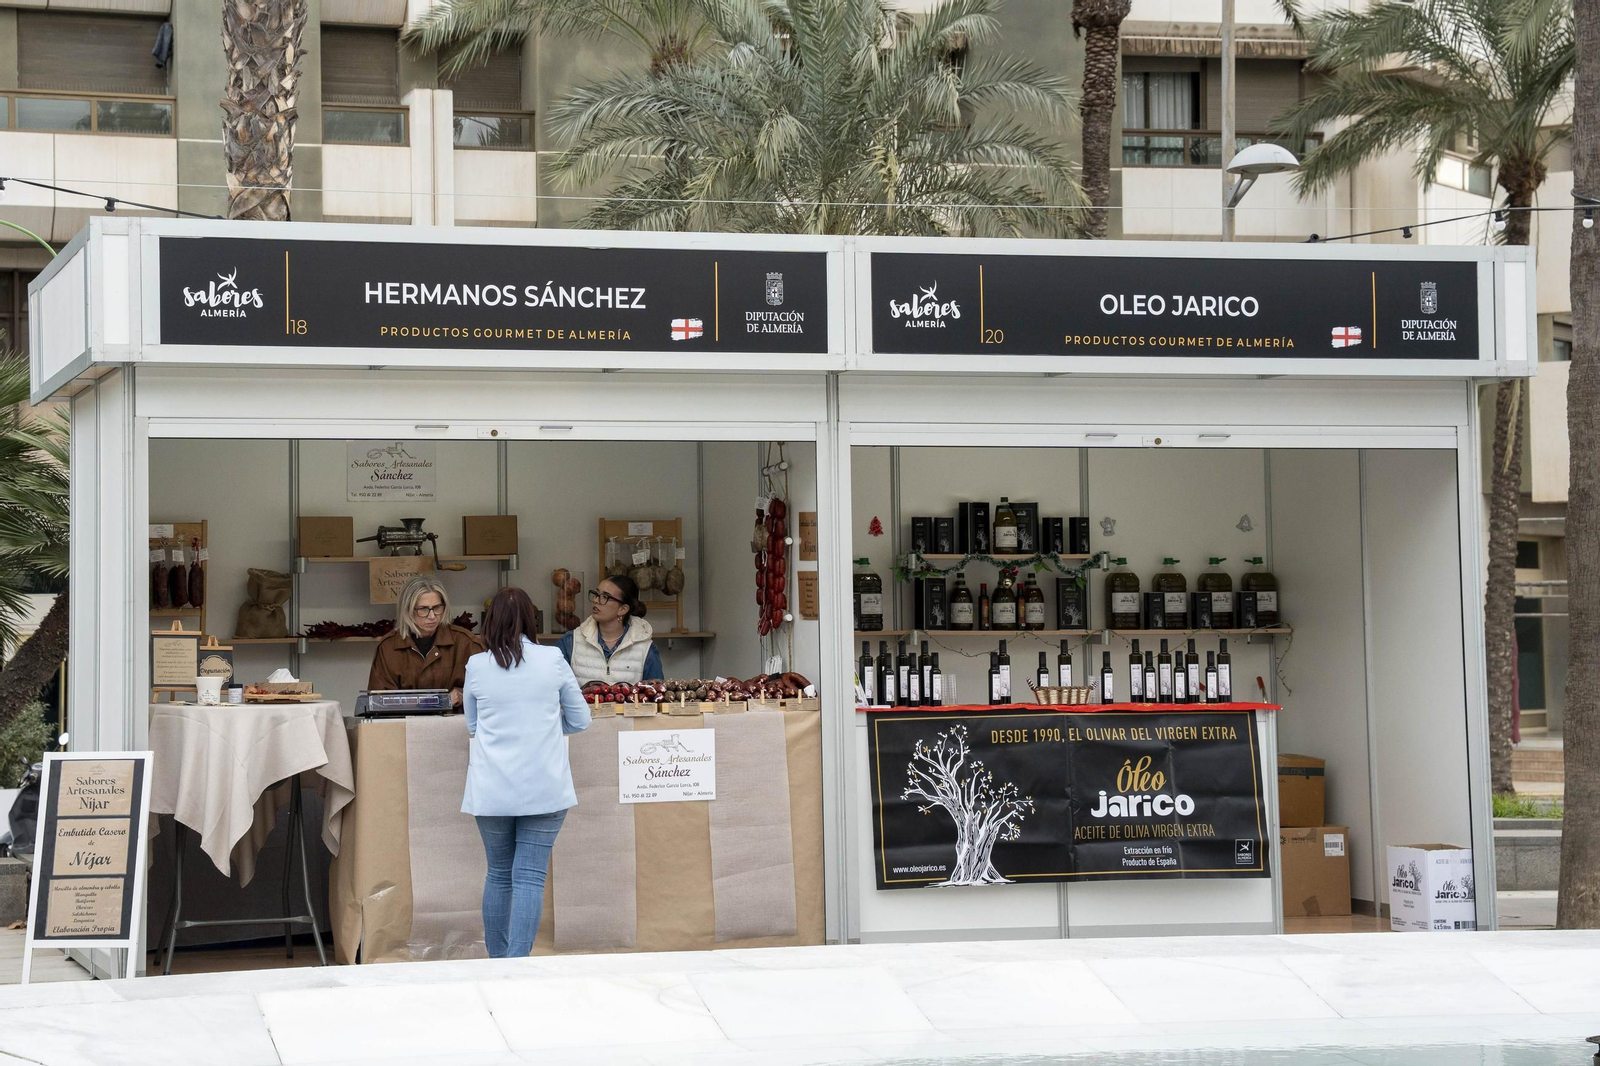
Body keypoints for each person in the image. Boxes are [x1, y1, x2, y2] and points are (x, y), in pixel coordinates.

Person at [462, 587, 590, 958]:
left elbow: (473, 726)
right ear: (531, 620)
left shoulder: (476, 665)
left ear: (490, 622)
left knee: (498, 874)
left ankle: (497, 961)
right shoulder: (552, 658)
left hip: (491, 787)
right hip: (545, 784)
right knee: (530, 877)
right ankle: (518, 964)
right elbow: (580, 720)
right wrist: (547, 728)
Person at [368, 576, 485, 707]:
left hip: (455, 719)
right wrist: (442, 701)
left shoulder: (465, 642)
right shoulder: (388, 647)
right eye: (423, 609)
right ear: (407, 610)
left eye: (437, 607)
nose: (432, 616)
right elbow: (379, 703)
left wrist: (464, 695)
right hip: (405, 720)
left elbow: (488, 692)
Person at [557, 574, 664, 685]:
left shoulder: (645, 648)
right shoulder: (570, 642)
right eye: (596, 594)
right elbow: (554, 688)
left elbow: (656, 692)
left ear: (623, 609)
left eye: (605, 597)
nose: (596, 600)